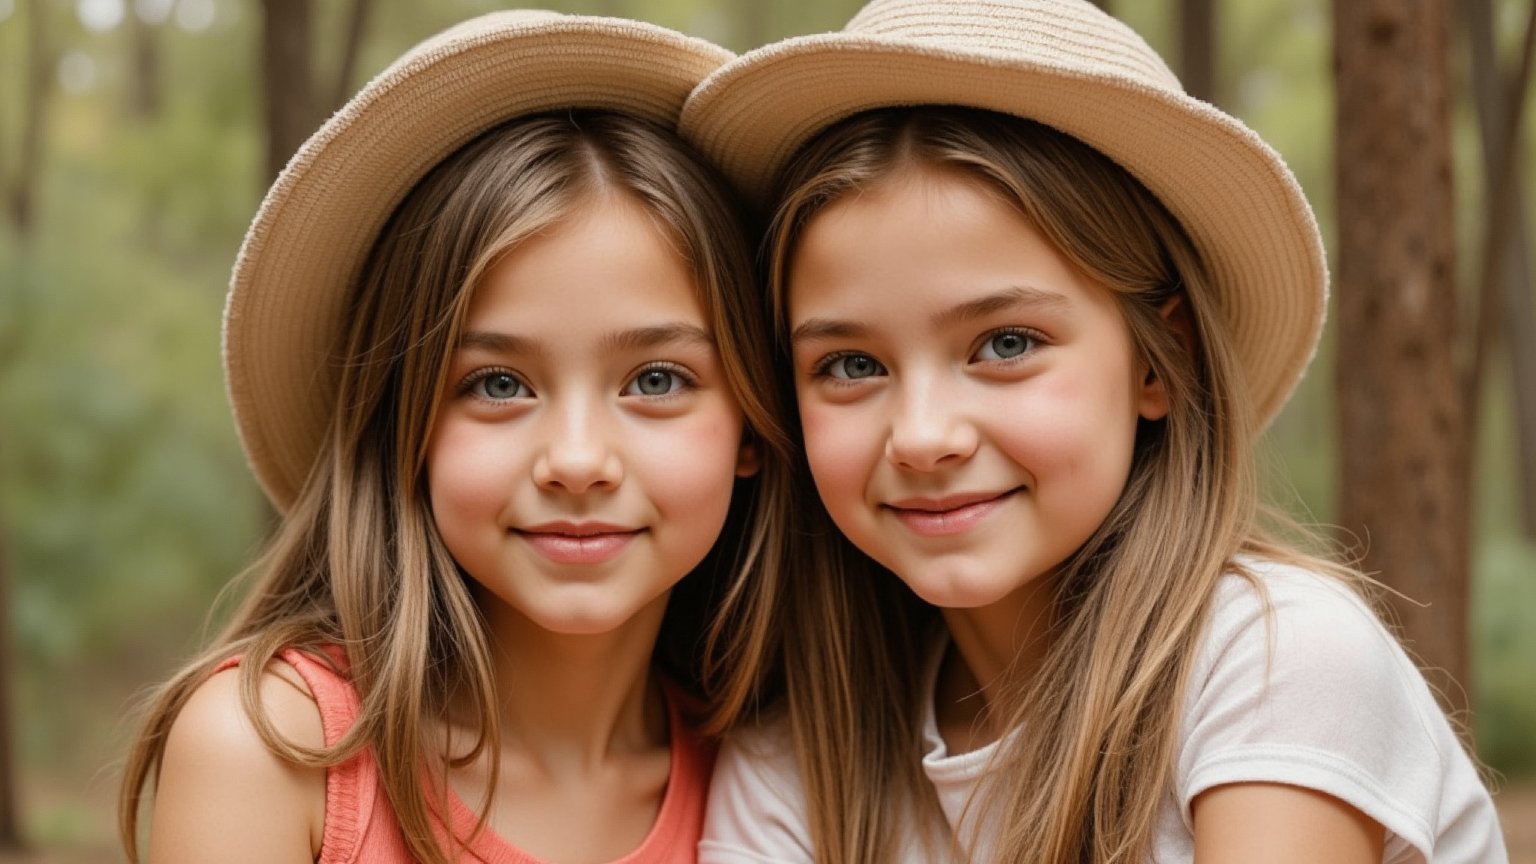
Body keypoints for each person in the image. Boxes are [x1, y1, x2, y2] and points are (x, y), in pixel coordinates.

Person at [678, 0, 1508, 861]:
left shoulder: (1274, 660)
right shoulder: (796, 767)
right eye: (851, 365)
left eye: (1006, 345)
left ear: (1158, 361)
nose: (923, 437)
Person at [118, 11, 792, 864]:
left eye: (656, 380)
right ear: (409, 428)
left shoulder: (773, 785)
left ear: (751, 426)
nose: (578, 461)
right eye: (498, 385)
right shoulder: (271, 751)